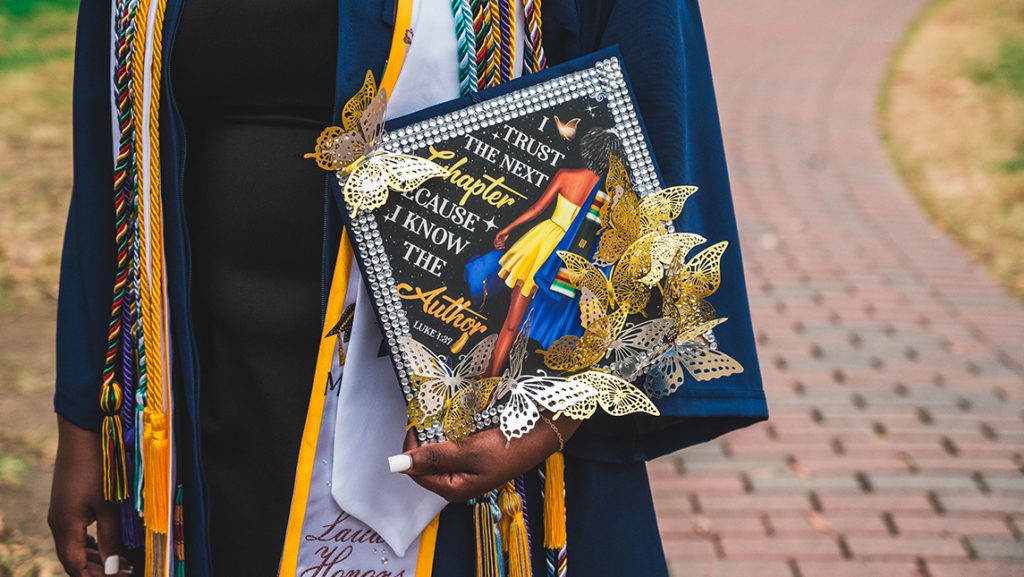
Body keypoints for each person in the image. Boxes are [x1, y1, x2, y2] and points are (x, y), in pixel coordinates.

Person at [48, 1, 769, 576]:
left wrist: (555, 413)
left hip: (476, 427)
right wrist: (86, 419)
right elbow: (110, 151)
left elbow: (654, 120)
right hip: (209, 415)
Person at [488, 127, 623, 376]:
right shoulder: (607, 196)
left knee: (512, 323)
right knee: (542, 321)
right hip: (569, 259)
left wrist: (507, 229)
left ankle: (491, 375)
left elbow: (537, 209)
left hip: (541, 245)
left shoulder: (566, 176)